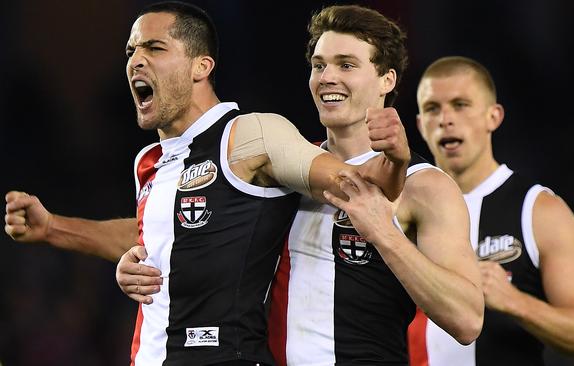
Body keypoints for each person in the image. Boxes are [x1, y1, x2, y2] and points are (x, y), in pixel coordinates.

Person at [4, 2, 412, 366]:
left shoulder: (252, 135)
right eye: (131, 51)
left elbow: (357, 187)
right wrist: (52, 228)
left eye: (154, 48)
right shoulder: (149, 162)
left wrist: (395, 159)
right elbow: (161, 236)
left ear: (202, 66)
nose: (135, 61)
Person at [118, 5, 484, 365]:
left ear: (387, 80)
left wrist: (385, 235)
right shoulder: (278, 169)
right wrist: (131, 259)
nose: (327, 77)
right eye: (319, 65)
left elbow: (467, 320)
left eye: (346, 64)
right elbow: (186, 227)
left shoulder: (426, 186)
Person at [407, 56, 574, 365]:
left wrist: (514, 301)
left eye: (460, 105)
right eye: (433, 108)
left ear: (493, 116)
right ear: (421, 124)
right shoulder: (400, 207)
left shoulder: (539, 209)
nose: (446, 118)